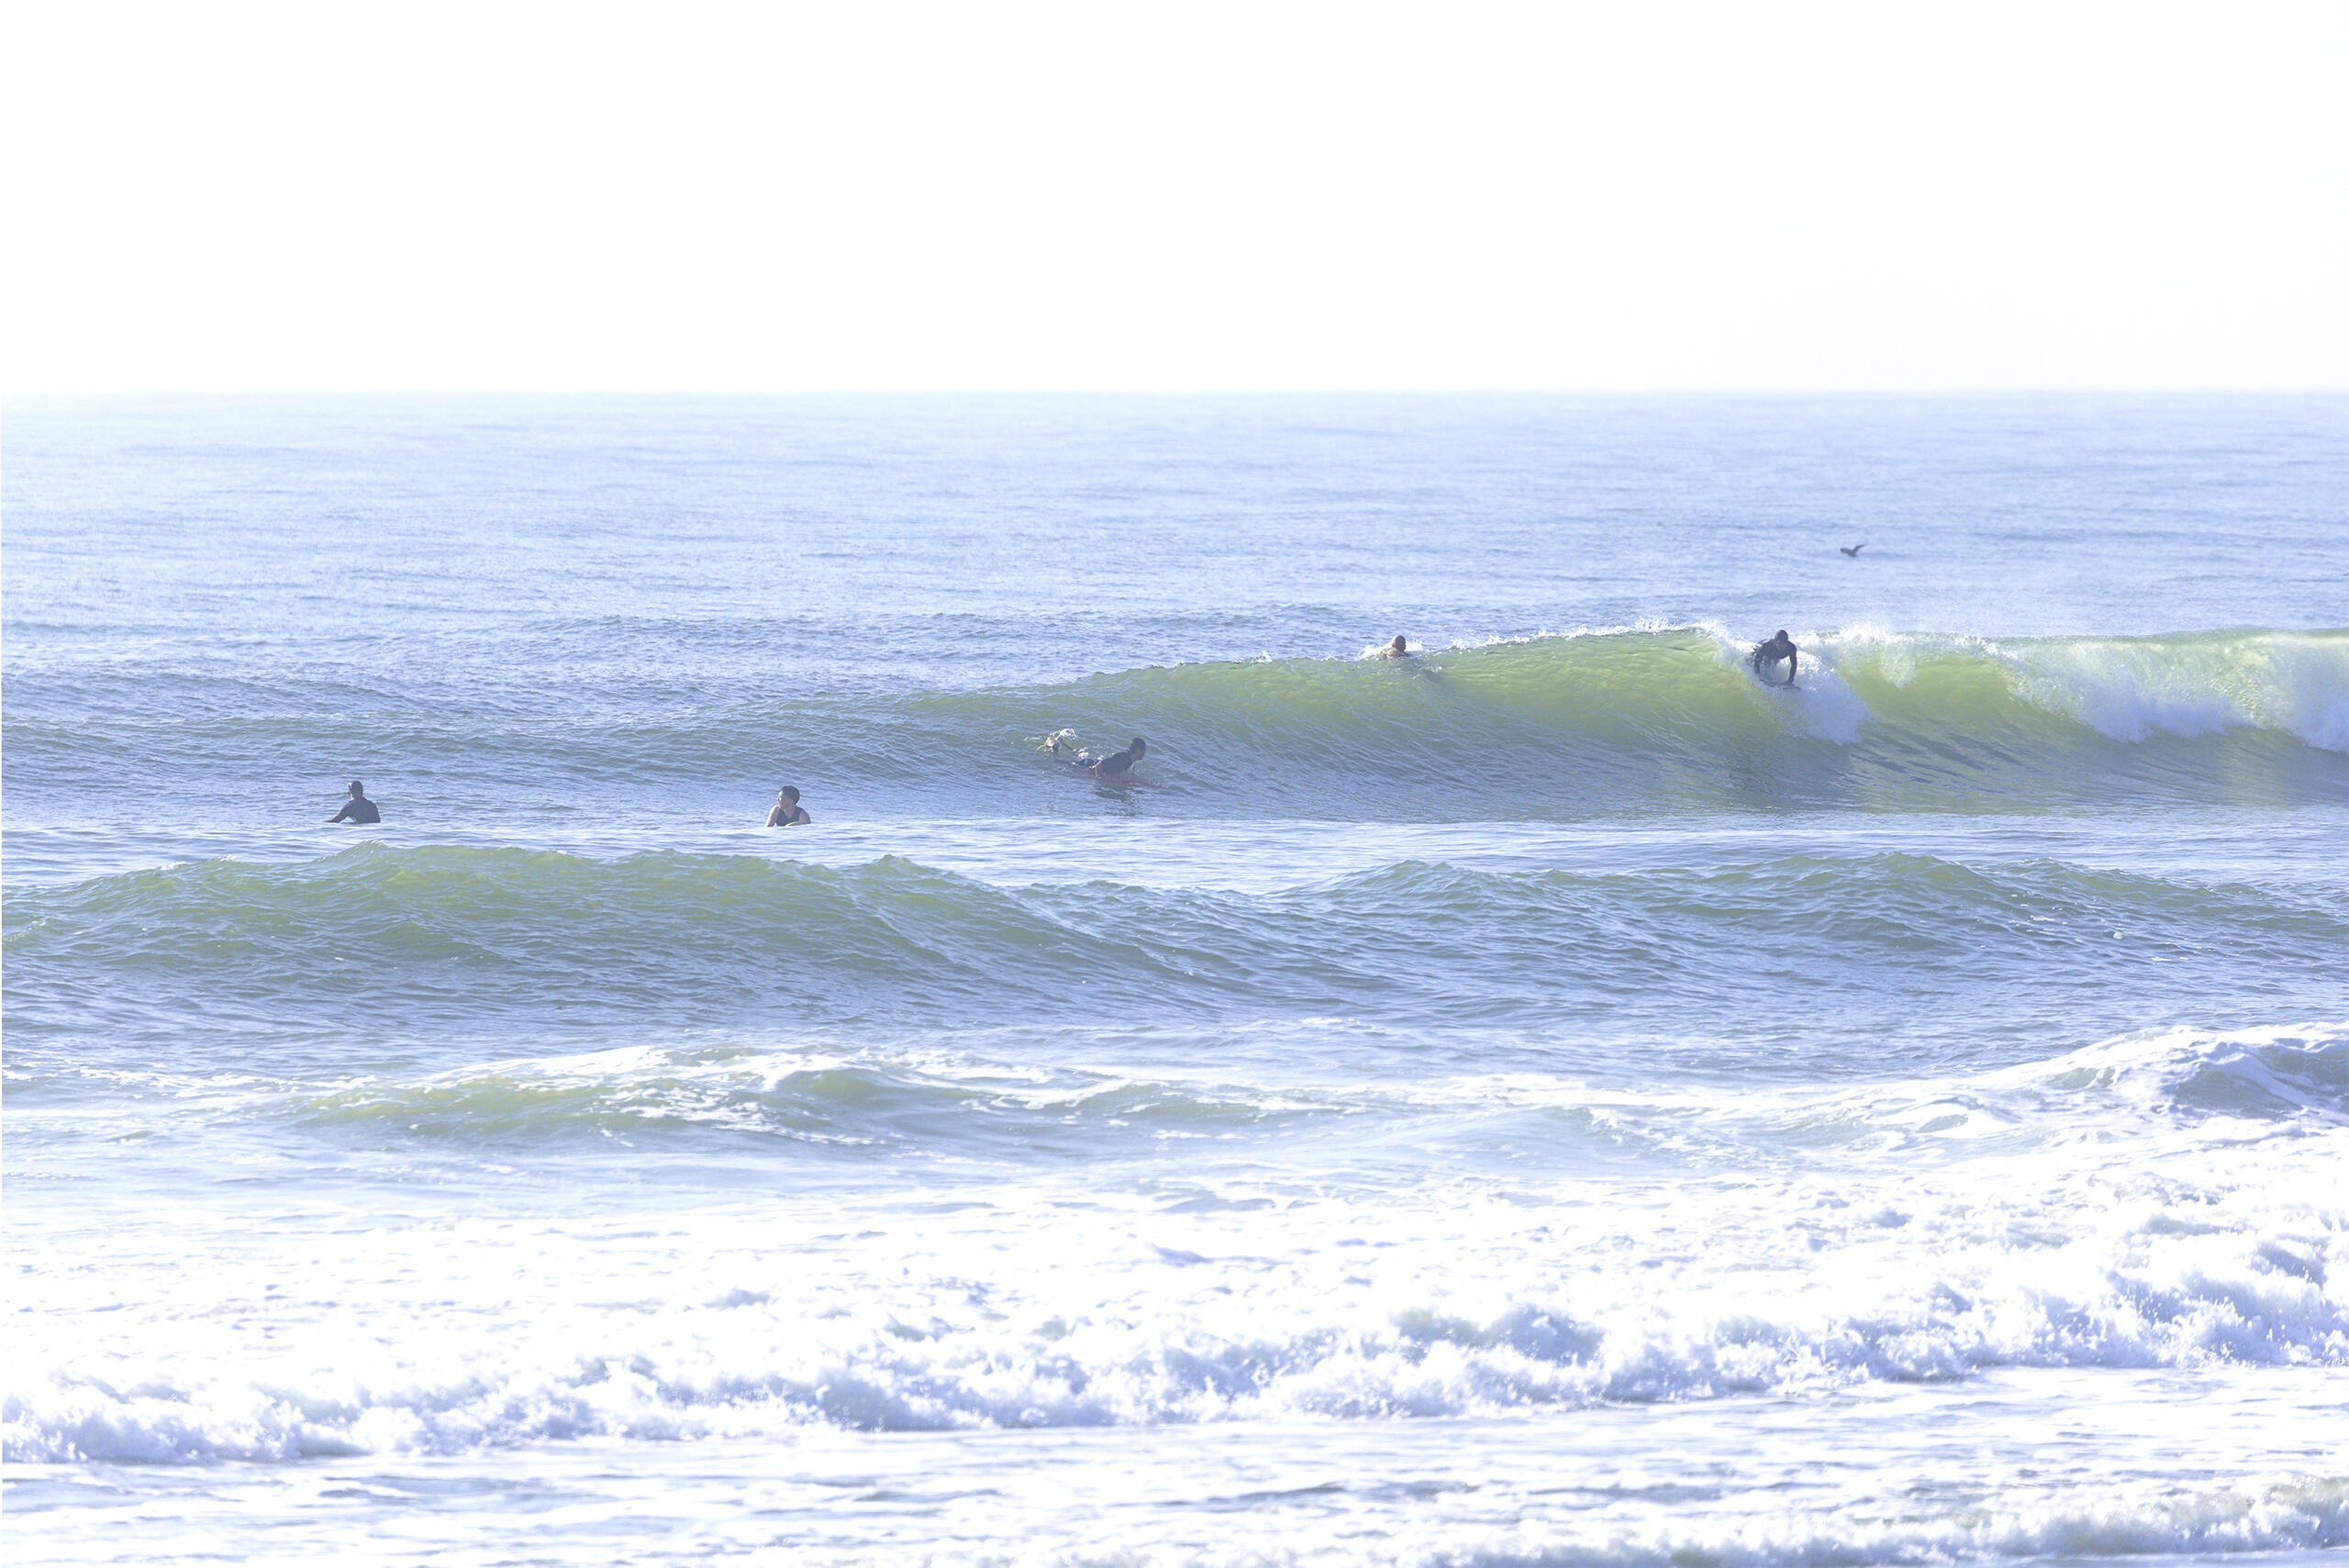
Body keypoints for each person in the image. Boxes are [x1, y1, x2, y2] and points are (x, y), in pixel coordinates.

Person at [1049, 734, 1148, 781]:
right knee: (1058, 761)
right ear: (1138, 751)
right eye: (1144, 751)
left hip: (1092, 761)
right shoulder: (1123, 760)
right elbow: (1098, 766)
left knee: (1076, 757)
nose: (1145, 753)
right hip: (1089, 764)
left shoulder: (1129, 759)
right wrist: (1099, 779)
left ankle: (1062, 742)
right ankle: (1053, 746)